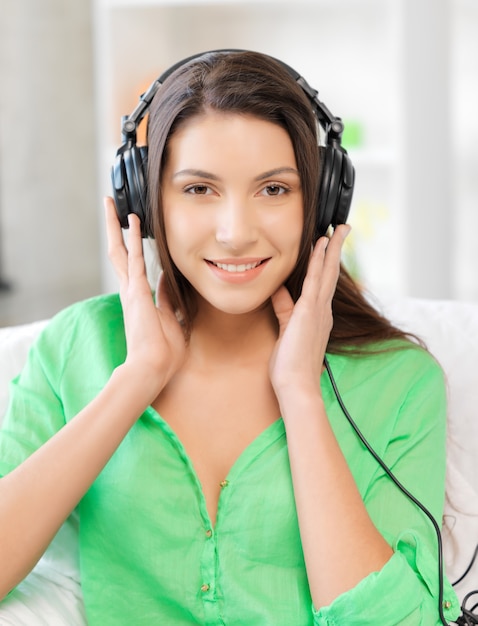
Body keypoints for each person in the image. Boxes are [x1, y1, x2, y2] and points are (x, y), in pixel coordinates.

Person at [0, 49, 460, 625]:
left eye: (274, 190)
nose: (236, 233)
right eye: (198, 190)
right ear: (144, 200)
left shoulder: (399, 379)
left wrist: (300, 395)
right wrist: (136, 376)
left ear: (322, 203)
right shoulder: (78, 347)